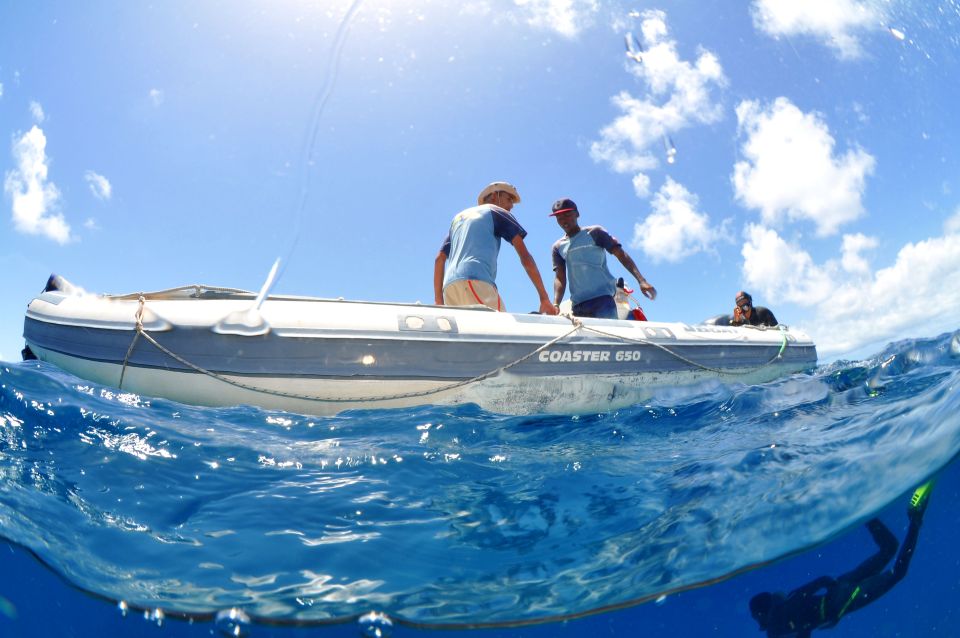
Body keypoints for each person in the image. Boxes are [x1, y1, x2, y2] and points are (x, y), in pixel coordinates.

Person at [749, 480, 935, 638]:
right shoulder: (783, 606)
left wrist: (831, 611)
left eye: (756, 618)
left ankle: (915, 518)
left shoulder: (774, 627)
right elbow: (803, 607)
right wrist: (826, 591)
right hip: (836, 590)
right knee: (889, 548)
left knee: (897, 573)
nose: (758, 623)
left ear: (761, 612)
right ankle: (858, 508)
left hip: (838, 601)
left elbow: (802, 604)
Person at [434, 182, 557, 315]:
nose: (511, 206)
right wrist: (544, 298)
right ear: (494, 196)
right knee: (503, 331)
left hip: (450, 287)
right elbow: (525, 257)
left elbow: (439, 259)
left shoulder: (458, 219)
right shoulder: (496, 211)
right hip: (475, 281)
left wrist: (439, 300)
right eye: (509, 199)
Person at [549, 198, 656, 319]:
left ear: (577, 214)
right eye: (559, 217)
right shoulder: (557, 247)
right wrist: (556, 303)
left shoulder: (595, 233)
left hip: (602, 300)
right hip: (578, 305)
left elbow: (620, 254)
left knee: (611, 337)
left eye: (567, 214)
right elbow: (560, 278)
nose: (564, 220)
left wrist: (641, 280)